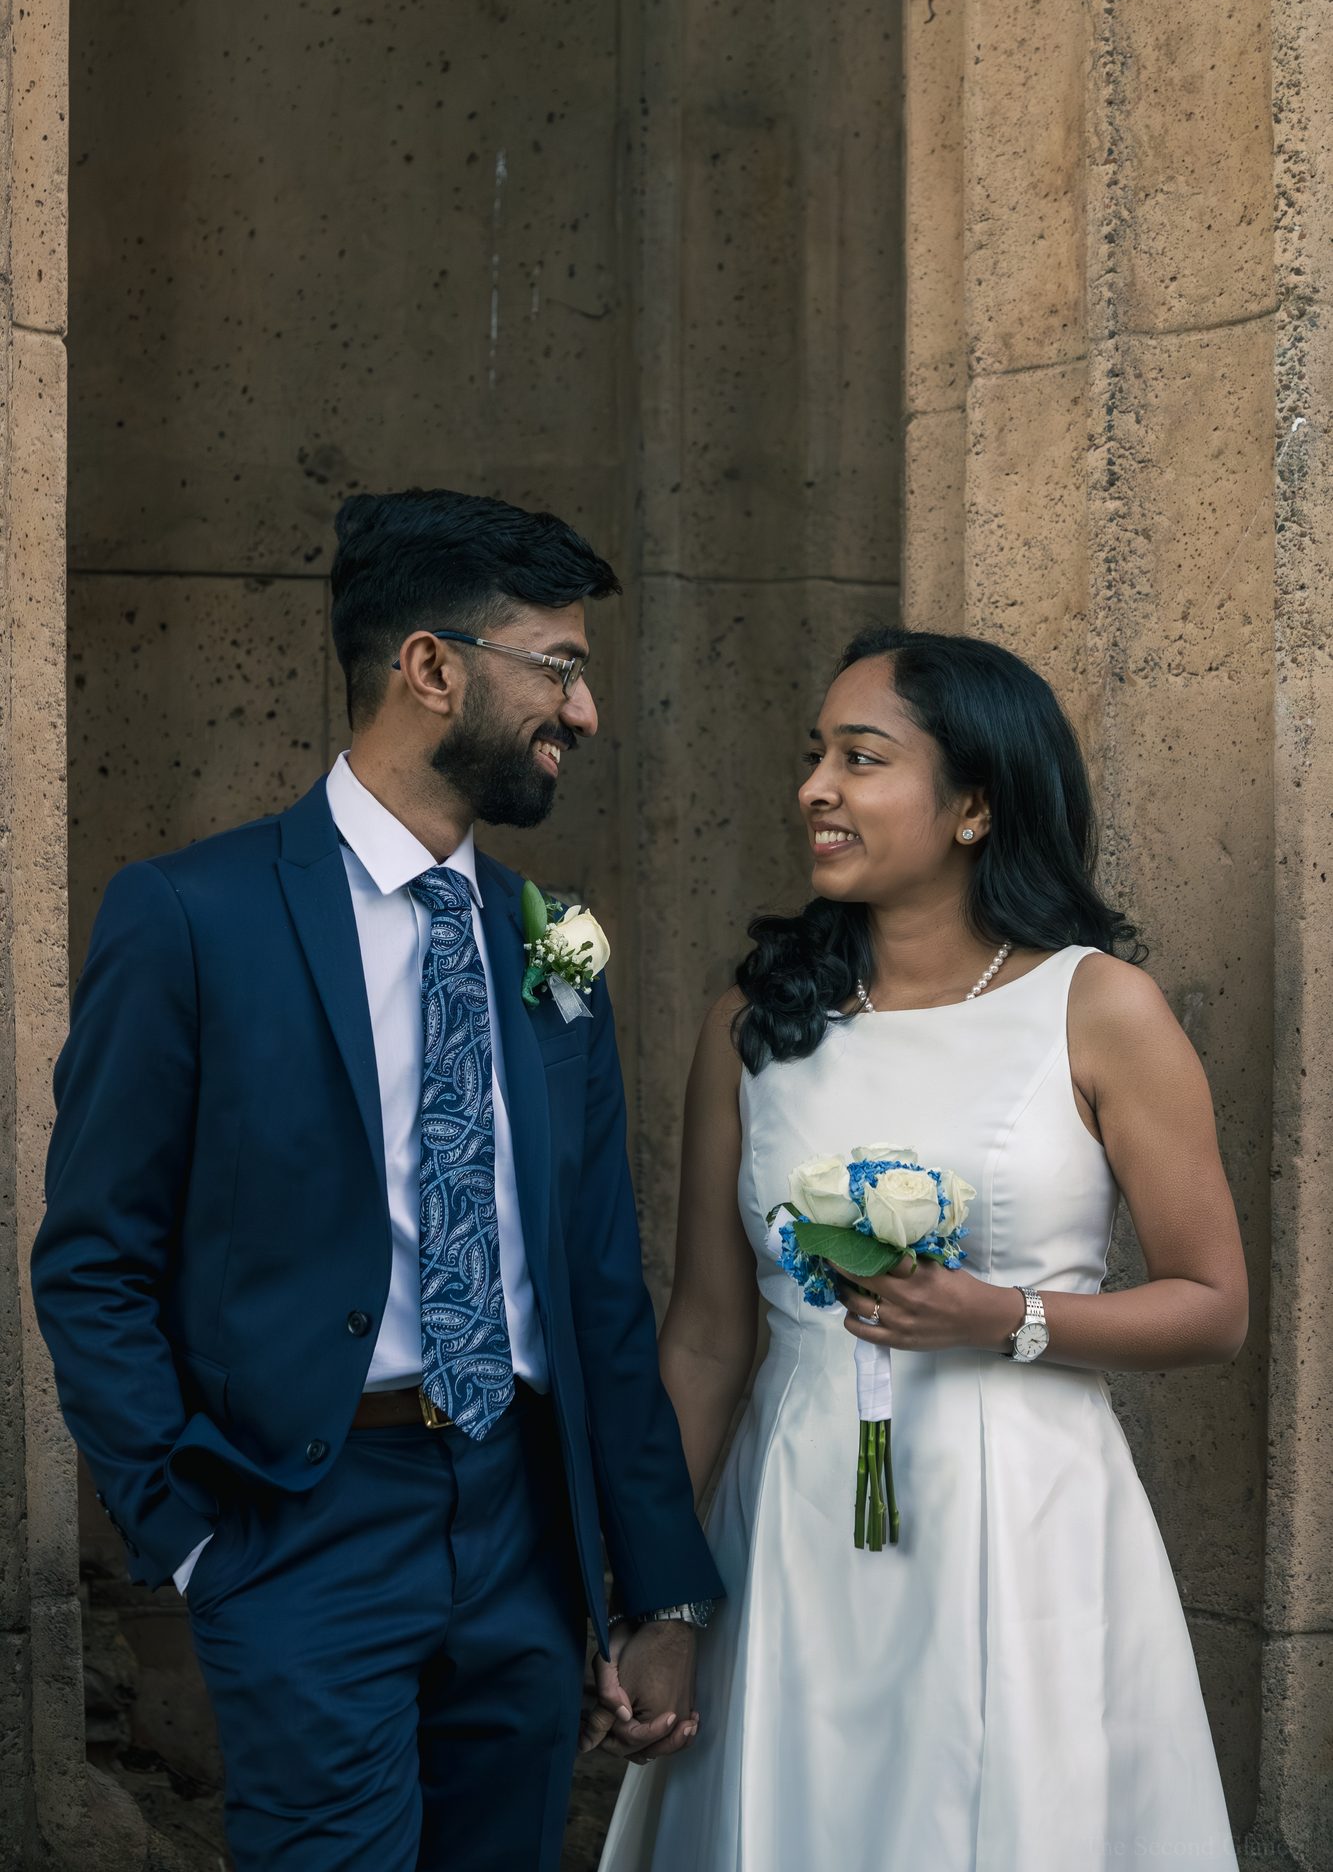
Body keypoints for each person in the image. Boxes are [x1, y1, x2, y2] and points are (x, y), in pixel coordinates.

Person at [31, 488, 722, 1872]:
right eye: (560, 667)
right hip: (302, 1524)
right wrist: (188, 1540)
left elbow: (597, 1287)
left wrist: (653, 1594)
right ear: (430, 667)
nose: (582, 713)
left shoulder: (551, 942)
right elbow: (92, 1261)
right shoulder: (191, 917)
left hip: (520, 1531)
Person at [592, 625, 1247, 1872]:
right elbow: (708, 1334)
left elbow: (1212, 1304)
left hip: (1023, 1519)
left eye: (861, 757)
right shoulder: (751, 1022)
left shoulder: (1098, 1005)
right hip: (787, 1525)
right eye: (813, 756)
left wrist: (1004, 1315)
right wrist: (660, 1597)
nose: (815, 789)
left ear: (973, 803)